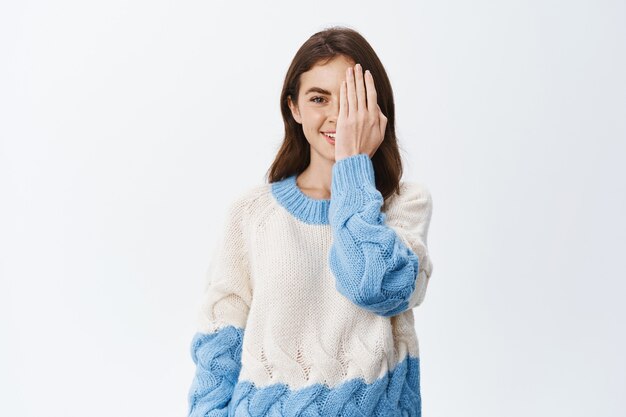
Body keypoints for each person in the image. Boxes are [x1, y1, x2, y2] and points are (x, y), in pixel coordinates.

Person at [187, 26, 434, 417]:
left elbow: (377, 287)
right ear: (294, 108)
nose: (338, 115)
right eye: (319, 98)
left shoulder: (403, 205)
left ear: (376, 108)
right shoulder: (251, 214)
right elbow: (220, 345)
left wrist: (353, 167)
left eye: (352, 99)